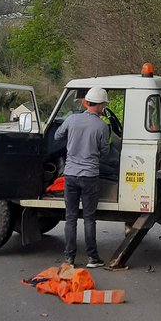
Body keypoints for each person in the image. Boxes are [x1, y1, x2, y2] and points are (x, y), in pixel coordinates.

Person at [53, 86, 111, 269]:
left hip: (70, 175)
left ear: (87, 102)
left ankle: (69, 258)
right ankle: (92, 258)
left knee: (70, 218)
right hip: (90, 176)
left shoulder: (71, 119)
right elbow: (105, 151)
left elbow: (57, 136)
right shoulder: (102, 126)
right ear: (101, 105)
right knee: (89, 218)